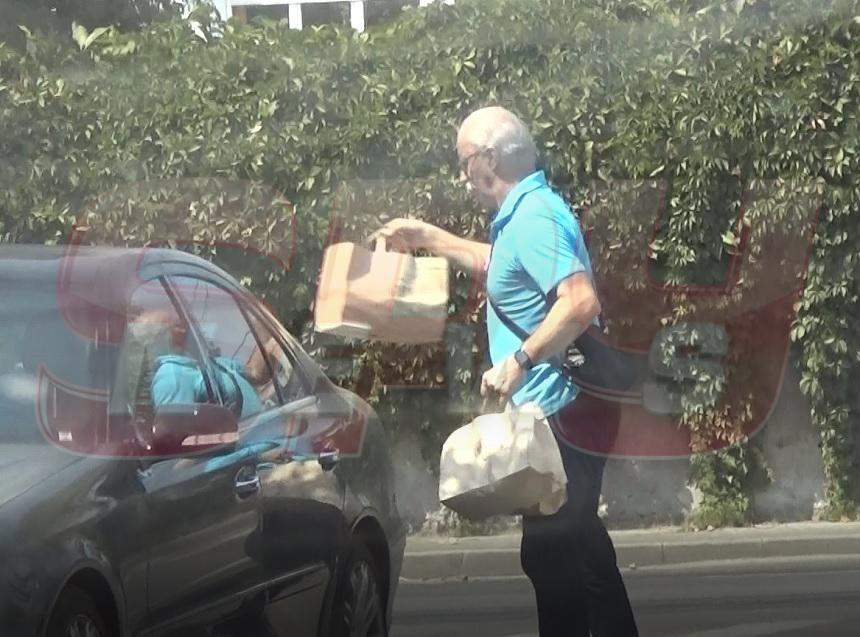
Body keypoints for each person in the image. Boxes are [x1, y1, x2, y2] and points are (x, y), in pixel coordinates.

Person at [372, 106, 639, 636]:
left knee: (554, 557)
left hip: (564, 412)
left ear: (489, 159)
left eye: (464, 160)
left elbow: (579, 302)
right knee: (580, 550)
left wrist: (518, 362)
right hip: (562, 412)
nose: (462, 173)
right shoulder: (525, 216)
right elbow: (502, 263)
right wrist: (427, 235)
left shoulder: (536, 217)